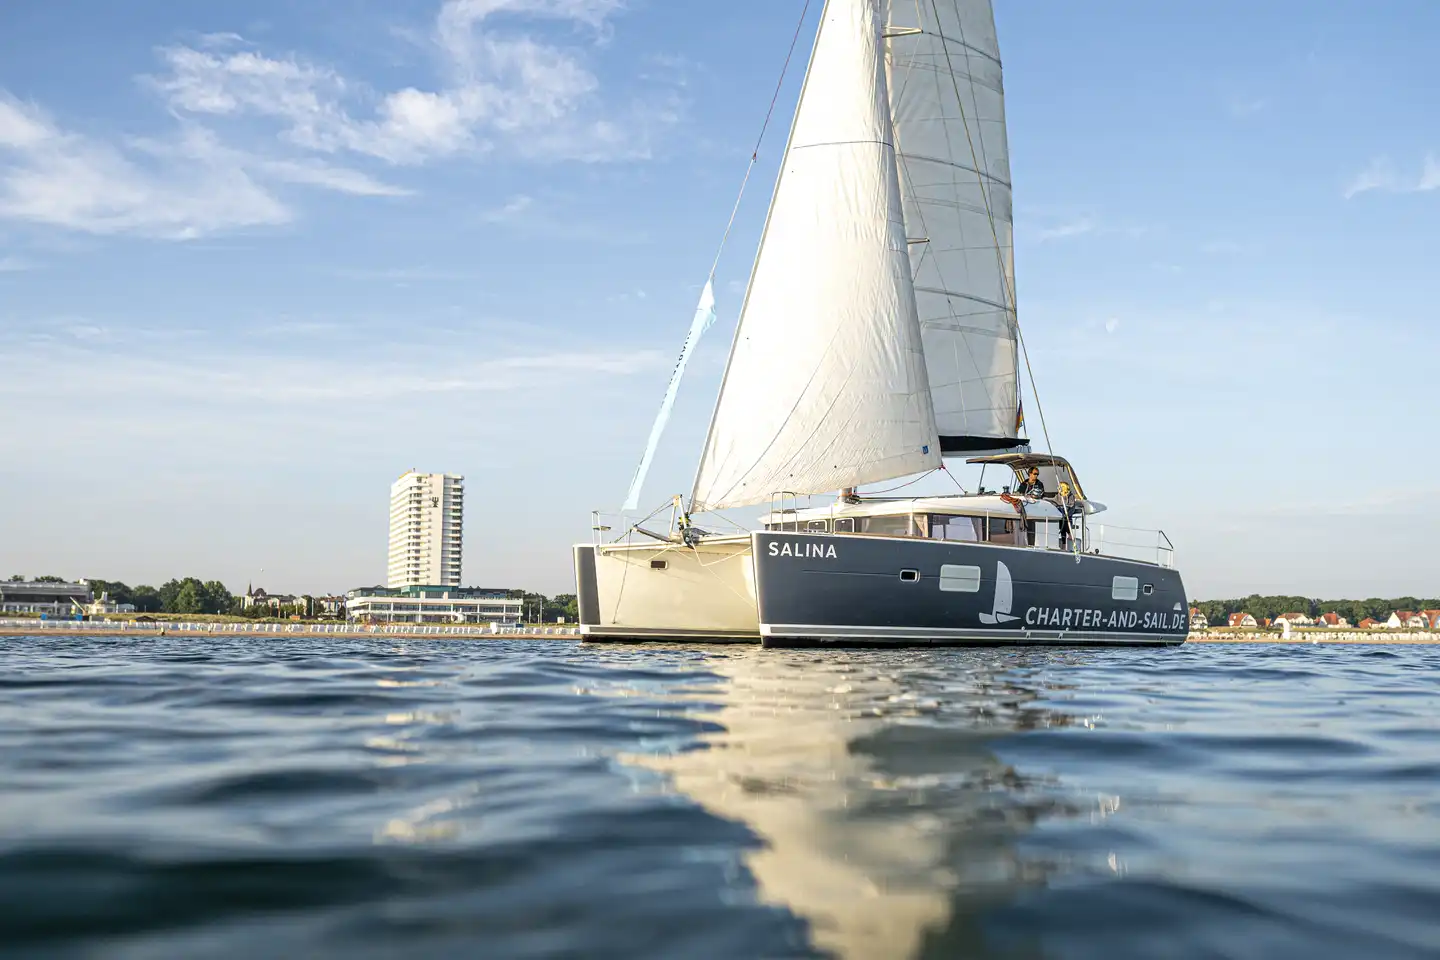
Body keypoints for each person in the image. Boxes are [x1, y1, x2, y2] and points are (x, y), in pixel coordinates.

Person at [1017, 466, 1044, 545]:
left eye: (1037, 474)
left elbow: (1041, 494)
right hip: (1024, 508)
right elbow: (1019, 493)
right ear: (1030, 474)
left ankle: (1031, 544)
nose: (1036, 476)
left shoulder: (1039, 484)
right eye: (1035, 474)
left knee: (1031, 527)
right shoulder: (1023, 484)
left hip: (1034, 509)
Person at [1055, 481, 1078, 551]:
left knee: (1065, 523)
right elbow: (1056, 503)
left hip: (1067, 516)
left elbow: (1072, 507)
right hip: (1060, 516)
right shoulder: (1057, 496)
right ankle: (1064, 543)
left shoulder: (1071, 496)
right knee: (1062, 524)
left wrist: (1067, 513)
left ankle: (1068, 538)